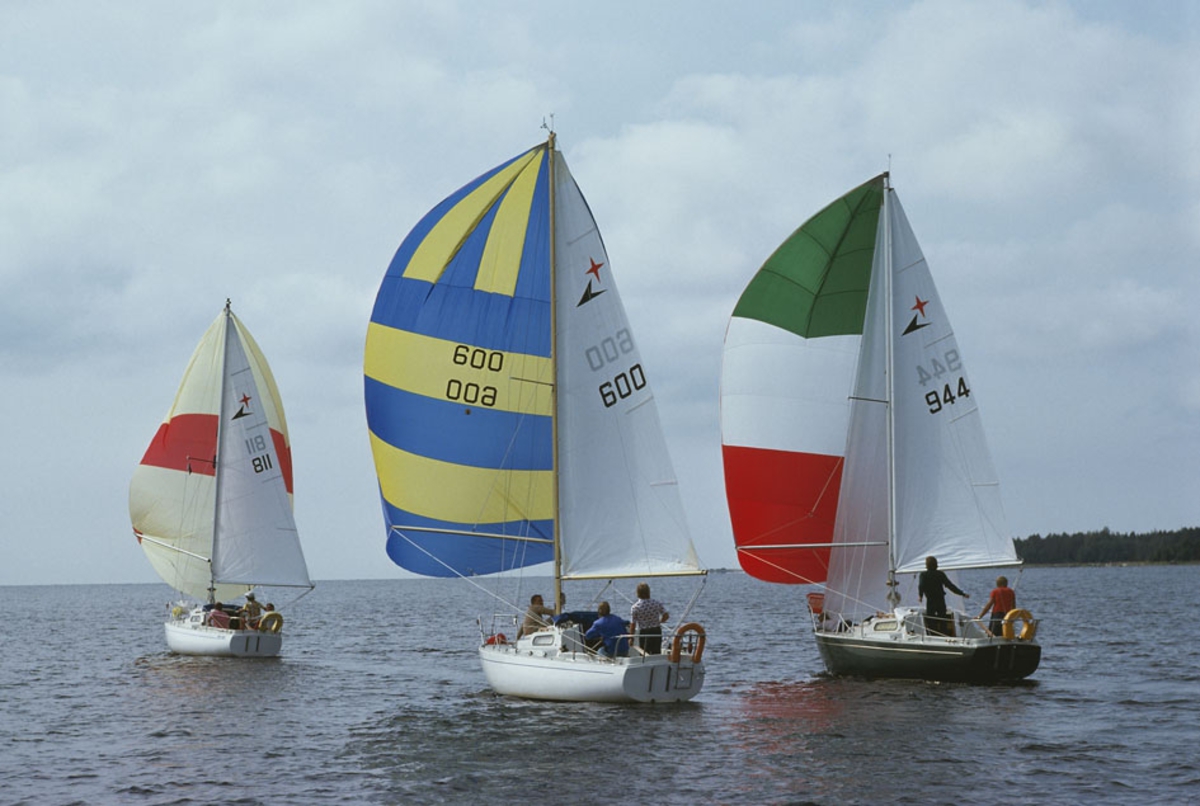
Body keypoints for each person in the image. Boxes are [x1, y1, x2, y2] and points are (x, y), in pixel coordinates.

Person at [918, 556, 968, 637]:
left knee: (931, 619)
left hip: (930, 599)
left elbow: (921, 586)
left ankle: (933, 635)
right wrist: (962, 593)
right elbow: (950, 585)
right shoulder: (940, 574)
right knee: (942, 618)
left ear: (926, 565)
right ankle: (944, 634)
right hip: (940, 599)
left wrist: (920, 595)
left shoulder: (923, 575)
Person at [629, 582, 669, 654]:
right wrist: (659, 621)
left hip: (644, 632)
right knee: (656, 652)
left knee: (644, 653)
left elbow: (633, 624)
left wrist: (631, 638)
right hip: (656, 630)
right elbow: (666, 615)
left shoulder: (635, 607)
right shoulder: (656, 603)